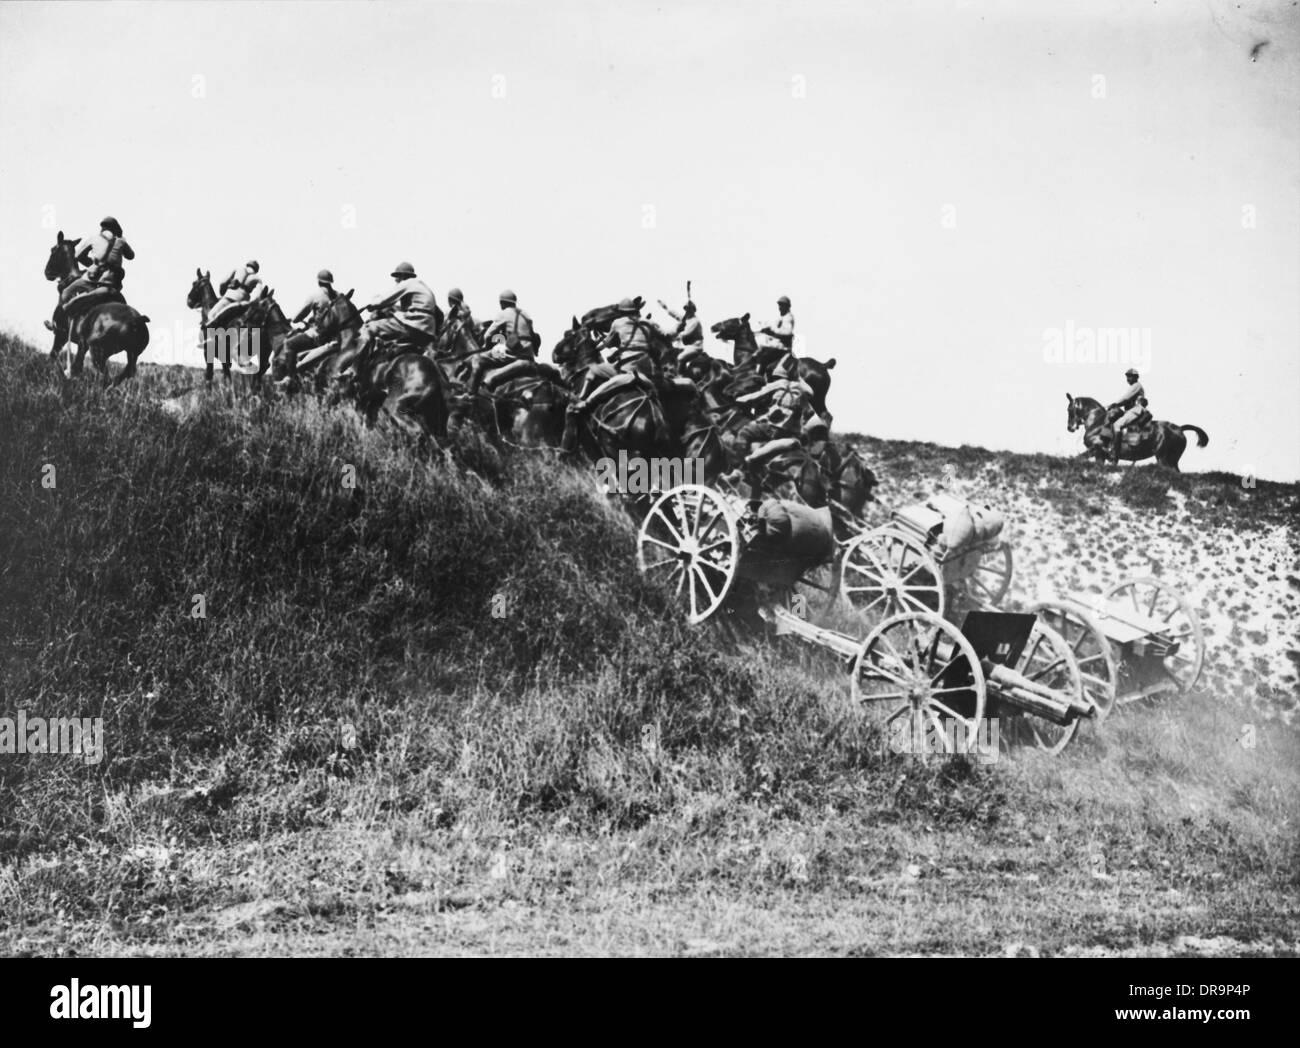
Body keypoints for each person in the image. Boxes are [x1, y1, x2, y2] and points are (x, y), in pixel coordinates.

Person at [733, 353, 813, 458]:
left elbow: (755, 396)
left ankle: (741, 467)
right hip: (793, 432)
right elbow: (810, 397)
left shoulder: (777, 384)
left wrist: (738, 399)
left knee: (744, 432)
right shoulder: (800, 388)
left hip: (774, 428)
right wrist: (799, 379)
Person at [359, 261, 440, 355]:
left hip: (413, 326)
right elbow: (439, 314)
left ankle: (357, 365)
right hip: (428, 333)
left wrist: (371, 305)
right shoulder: (424, 288)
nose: (395, 280)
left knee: (369, 327)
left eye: (397, 277)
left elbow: (383, 300)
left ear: (403, 276)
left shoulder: (407, 283)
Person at [468, 289, 537, 394]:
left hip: (514, 354)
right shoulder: (526, 315)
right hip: (529, 355)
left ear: (502, 303)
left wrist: (486, 345)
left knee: (477, 359)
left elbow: (488, 335)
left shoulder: (504, 314)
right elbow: (532, 335)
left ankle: (471, 394)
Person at [208, 260, 264, 328]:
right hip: (243, 303)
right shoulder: (257, 278)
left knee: (211, 315)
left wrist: (223, 292)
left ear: (248, 265)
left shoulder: (238, 270)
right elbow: (258, 295)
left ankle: (212, 335)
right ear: (256, 270)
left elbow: (222, 282)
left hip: (228, 298)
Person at [1107, 368, 1146, 463]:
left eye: (1130, 377)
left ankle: (1115, 454)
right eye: (1127, 377)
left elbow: (1125, 398)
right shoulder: (1134, 386)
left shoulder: (1136, 386)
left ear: (1135, 377)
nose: (1128, 379)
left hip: (1136, 410)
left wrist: (1115, 404)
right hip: (1131, 410)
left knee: (1117, 425)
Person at [754, 294, 795, 375]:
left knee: (764, 355)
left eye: (782, 305)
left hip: (783, 346)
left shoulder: (788, 317)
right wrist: (766, 330)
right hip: (778, 344)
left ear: (787, 307)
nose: (779, 308)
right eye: (779, 305)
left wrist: (772, 330)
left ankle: (759, 377)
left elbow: (788, 332)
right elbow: (776, 331)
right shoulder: (781, 318)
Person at [658, 297, 704, 364]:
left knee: (680, 358)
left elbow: (686, 334)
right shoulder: (687, 319)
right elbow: (676, 315)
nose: (687, 311)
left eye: (689, 309)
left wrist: (672, 336)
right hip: (687, 345)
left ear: (693, 310)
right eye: (686, 309)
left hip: (695, 346)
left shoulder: (695, 321)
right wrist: (666, 308)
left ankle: (681, 374)